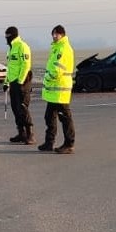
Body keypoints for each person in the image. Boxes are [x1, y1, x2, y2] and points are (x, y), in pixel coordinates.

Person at [38, 25, 76, 154]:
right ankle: (49, 142)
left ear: (62, 35)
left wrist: (47, 79)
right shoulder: (56, 48)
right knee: (49, 117)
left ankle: (69, 144)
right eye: (53, 34)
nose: (54, 36)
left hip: (60, 90)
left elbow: (58, 69)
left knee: (65, 117)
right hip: (54, 91)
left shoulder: (63, 48)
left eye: (57, 34)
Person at [3, 26, 34, 144]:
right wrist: (6, 82)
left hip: (22, 82)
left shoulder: (22, 46)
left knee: (22, 107)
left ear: (12, 36)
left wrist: (20, 81)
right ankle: (21, 133)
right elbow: (10, 68)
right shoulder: (10, 49)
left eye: (7, 36)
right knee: (15, 108)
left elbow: (26, 65)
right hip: (13, 82)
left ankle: (30, 134)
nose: (6, 39)